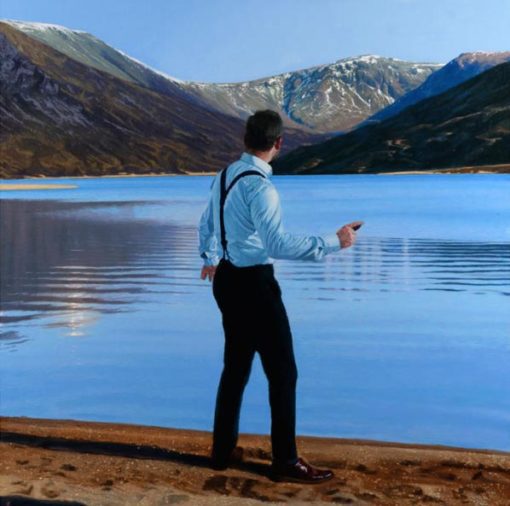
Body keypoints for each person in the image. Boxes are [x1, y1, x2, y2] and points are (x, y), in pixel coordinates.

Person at [198, 109, 361, 484]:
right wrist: (334, 242)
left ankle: (221, 453)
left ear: (245, 139)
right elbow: (277, 244)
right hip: (255, 284)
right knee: (283, 373)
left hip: (226, 281)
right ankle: (285, 461)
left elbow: (206, 223)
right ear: (278, 144)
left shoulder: (223, 176)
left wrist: (210, 258)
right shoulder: (261, 187)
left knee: (236, 368)